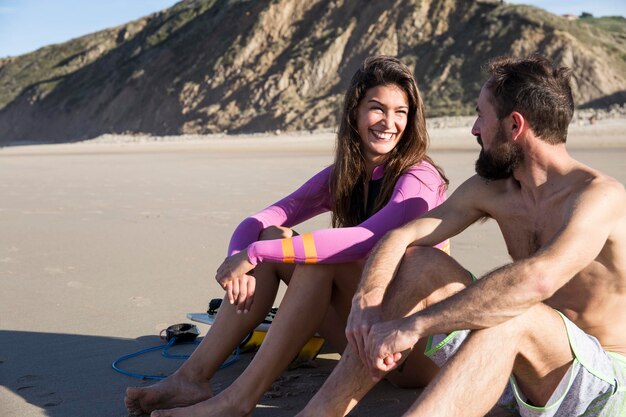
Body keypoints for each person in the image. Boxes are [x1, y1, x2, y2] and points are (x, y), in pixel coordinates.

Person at [297, 54, 626, 417]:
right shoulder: (494, 190)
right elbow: (401, 237)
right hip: (515, 372)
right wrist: (367, 301)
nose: (473, 129)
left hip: (599, 386)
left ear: (514, 125)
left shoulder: (598, 196)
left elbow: (537, 281)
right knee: (420, 262)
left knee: (512, 314)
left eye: (481, 116)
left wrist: (413, 326)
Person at [124, 55, 450, 417]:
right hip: (365, 334)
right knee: (274, 235)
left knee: (309, 260)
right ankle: (192, 377)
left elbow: (367, 237)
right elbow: (264, 218)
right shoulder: (345, 174)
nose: (390, 123)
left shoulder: (419, 179)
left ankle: (237, 400)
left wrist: (257, 254)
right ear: (354, 113)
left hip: (415, 350)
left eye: (401, 112)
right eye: (377, 108)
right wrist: (240, 258)